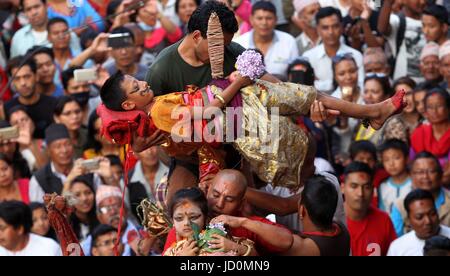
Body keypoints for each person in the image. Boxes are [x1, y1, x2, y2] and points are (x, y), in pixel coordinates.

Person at [99, 64, 405, 191]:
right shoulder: (161, 110)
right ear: (128, 106)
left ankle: (373, 111)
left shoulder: (155, 108)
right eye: (136, 86)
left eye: (138, 80)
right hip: (241, 113)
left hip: (241, 106)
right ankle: (372, 111)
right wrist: (239, 83)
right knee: (302, 123)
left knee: (309, 96)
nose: (144, 82)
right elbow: (208, 110)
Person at [163, 187, 256, 256]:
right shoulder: (173, 251)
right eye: (179, 218)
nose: (186, 223)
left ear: (206, 218)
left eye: (193, 217)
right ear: (173, 221)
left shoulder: (219, 239)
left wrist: (234, 247)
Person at [28, 123, 104, 202]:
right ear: (48, 151)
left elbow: (101, 201)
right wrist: (69, 180)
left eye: (67, 144)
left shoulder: (87, 169)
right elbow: (38, 212)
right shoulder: (39, 179)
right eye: (58, 146)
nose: (64, 150)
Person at [303, 7, 364, 93]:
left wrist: (320, 84)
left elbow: (360, 87)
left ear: (342, 27)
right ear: (317, 29)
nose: (330, 32)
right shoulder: (308, 57)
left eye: (335, 26)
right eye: (325, 27)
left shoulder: (355, 55)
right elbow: (306, 90)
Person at [342, 162, 397, 256]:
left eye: (366, 187)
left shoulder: (383, 220)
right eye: (354, 186)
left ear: (373, 190)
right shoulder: (331, 220)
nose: (360, 193)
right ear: (342, 188)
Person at [234, 1, 299, 80]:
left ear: (276, 20)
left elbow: (296, 72)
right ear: (251, 19)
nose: (264, 23)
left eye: (269, 18)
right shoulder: (239, 42)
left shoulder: (289, 41)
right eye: (259, 18)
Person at [391, 152, 450, 237]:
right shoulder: (400, 206)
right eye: (420, 172)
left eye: (431, 171)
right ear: (411, 175)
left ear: (441, 174)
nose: (425, 176)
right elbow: (396, 239)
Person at [4, 57, 57, 139]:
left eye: (27, 76)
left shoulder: (53, 104)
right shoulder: (6, 108)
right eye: (17, 78)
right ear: (12, 82)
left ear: (36, 76)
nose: (23, 83)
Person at [387, 189, 450, 256]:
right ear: (409, 220)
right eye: (419, 217)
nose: (428, 221)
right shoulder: (398, 248)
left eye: (432, 214)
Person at [10, 0, 82, 58]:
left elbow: (80, 61)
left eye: (37, 7)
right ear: (24, 13)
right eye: (28, 9)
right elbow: (15, 67)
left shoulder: (66, 32)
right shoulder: (18, 37)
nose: (34, 12)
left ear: (46, 6)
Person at [378, 0, 427, 83]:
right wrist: (388, 3)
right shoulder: (396, 20)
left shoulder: (431, 20)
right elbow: (382, 29)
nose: (422, 2)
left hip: (430, 86)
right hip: (403, 85)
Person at [81, 185, 137, 256]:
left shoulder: (142, 235)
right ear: (99, 216)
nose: (113, 212)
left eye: (117, 206)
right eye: (105, 209)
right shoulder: (90, 242)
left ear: (126, 209)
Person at [410, 88, 450, 169]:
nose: (434, 111)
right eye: (430, 107)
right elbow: (412, 164)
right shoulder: (419, 133)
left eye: (439, 106)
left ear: (448, 108)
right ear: (426, 111)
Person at [378, 139, 412, 216]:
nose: (391, 163)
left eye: (396, 158)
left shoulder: (415, 183)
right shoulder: (383, 186)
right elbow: (382, 212)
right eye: (386, 160)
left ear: (406, 159)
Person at [8, 106, 48, 171]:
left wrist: (30, 144)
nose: (21, 124)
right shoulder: (10, 149)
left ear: (33, 122)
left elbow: (46, 170)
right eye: (15, 123)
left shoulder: (46, 143)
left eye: (24, 119)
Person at [382, 77, 420, 143]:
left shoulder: (428, 117)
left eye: (408, 94)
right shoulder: (394, 125)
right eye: (400, 96)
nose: (405, 99)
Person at [68, 176, 99, 242]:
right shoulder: (67, 223)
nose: (84, 198)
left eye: (88, 193)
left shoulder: (102, 218)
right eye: (77, 195)